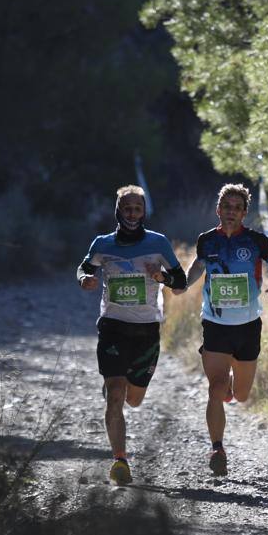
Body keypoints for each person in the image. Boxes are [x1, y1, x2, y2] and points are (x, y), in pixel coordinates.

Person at [77, 185, 188, 485]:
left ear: (143, 212)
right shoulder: (103, 244)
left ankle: (121, 392)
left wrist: (161, 277)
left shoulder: (158, 243)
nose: (131, 214)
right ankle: (120, 461)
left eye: (137, 209)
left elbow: (181, 281)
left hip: (146, 331)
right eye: (126, 208)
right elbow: (83, 269)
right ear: (118, 210)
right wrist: (85, 279)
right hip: (112, 327)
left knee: (134, 399)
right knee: (115, 395)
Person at [184, 183, 268, 476]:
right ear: (218, 210)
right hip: (215, 325)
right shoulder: (207, 240)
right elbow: (197, 266)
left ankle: (233, 381)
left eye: (237, 208)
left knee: (240, 395)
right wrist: (183, 283)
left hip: (247, 326)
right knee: (215, 389)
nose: (231, 212)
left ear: (244, 213)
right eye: (226, 207)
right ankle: (217, 448)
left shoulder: (257, 241)